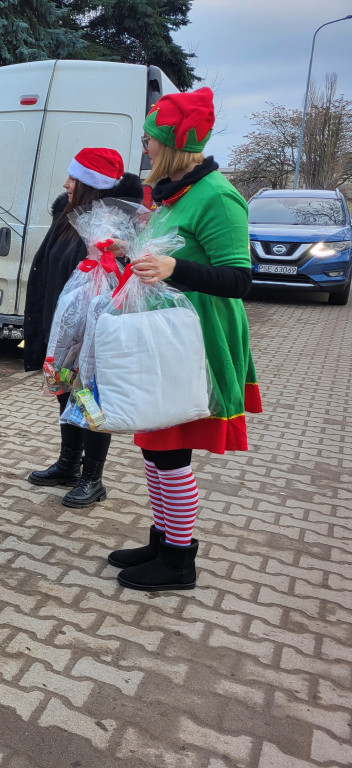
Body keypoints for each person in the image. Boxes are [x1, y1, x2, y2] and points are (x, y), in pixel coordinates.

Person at [108, 87, 262, 591]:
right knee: (154, 447)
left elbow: (240, 280)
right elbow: (165, 254)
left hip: (196, 342)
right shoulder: (173, 192)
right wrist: (130, 251)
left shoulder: (217, 196)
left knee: (171, 451)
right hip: (166, 336)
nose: (145, 148)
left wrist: (174, 268)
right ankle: (161, 541)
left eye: (150, 139)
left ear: (174, 144)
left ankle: (178, 561)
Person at [22, 147, 143, 508]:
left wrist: (121, 252)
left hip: (93, 332)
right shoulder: (68, 215)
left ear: (91, 185)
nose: (65, 184)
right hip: (62, 326)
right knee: (64, 391)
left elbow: (123, 278)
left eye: (73, 179)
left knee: (90, 398)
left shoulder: (113, 225)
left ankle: (93, 477)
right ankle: (68, 464)